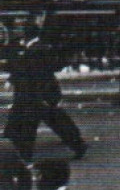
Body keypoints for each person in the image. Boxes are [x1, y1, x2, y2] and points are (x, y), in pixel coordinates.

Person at [4, 15, 86, 161]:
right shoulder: (25, 47)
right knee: (54, 120)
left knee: (31, 124)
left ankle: (24, 155)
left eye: (19, 29)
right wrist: (12, 80)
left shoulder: (39, 50)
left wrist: (45, 95)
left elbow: (43, 74)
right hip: (28, 92)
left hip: (37, 93)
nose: (16, 32)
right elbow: (19, 67)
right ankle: (77, 144)